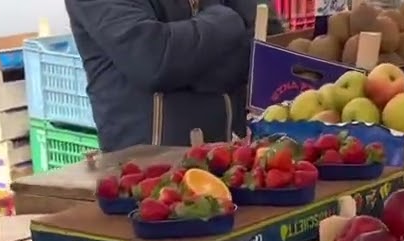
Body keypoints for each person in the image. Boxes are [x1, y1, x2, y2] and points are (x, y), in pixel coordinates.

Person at [66, 0, 284, 152]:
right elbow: (153, 59)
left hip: (232, 158)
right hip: (148, 173)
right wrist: (226, 19)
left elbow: (267, 41)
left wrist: (188, 70)